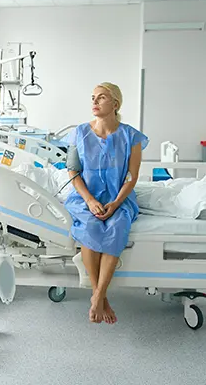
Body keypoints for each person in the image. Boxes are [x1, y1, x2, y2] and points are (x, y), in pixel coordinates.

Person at [63, 82, 148, 324]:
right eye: (93, 97)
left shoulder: (131, 136)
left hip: (119, 197)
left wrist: (116, 202)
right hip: (85, 197)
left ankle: (98, 295)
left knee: (118, 225)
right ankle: (100, 298)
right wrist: (89, 200)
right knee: (90, 227)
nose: (95, 102)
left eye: (101, 98)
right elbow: (73, 171)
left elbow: (132, 176)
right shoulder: (79, 133)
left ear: (115, 104)